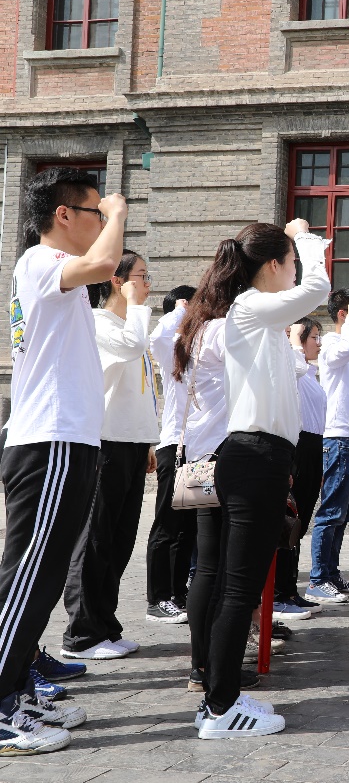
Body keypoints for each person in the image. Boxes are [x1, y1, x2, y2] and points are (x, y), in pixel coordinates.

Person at [0, 168, 123, 754]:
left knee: (42, 576)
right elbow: (105, 264)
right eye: (94, 211)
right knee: (28, 575)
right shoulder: (39, 261)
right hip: (48, 441)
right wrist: (119, 214)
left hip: (67, 439)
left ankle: (17, 686)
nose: (102, 221)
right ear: (64, 214)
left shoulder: (57, 274)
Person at [191, 218, 329, 739]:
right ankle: (220, 707)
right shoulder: (249, 307)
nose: (296, 273)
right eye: (290, 263)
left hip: (262, 458)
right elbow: (316, 290)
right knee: (239, 589)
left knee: (237, 586)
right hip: (253, 458)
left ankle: (219, 695)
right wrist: (307, 240)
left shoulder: (260, 319)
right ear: (273, 265)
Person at [60, 250, 159, 662]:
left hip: (131, 443)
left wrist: (148, 441)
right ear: (117, 281)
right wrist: (136, 307)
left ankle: (105, 625)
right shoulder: (100, 323)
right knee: (95, 540)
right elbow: (132, 345)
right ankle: (81, 634)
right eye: (141, 276)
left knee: (119, 542)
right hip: (105, 443)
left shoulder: (131, 325)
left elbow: (141, 389)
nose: (148, 284)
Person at [172, 263, 255, 697]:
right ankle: (215, 666)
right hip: (226, 455)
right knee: (225, 567)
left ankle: (199, 666)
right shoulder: (224, 331)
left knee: (207, 565)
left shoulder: (195, 330)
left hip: (201, 455)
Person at [306, 289, 349, 604]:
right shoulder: (333, 342)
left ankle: (331, 574)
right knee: (331, 512)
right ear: (343, 313)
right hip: (338, 437)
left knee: (345, 513)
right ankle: (317, 579)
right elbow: (343, 351)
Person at [145, 284, 198, 625]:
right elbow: (158, 337)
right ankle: (158, 598)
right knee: (167, 526)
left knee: (187, 529)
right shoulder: (173, 348)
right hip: (173, 449)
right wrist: (180, 310)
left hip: (197, 449)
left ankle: (178, 593)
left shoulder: (199, 349)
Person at [271, 317, 327, 619]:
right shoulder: (293, 367)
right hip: (298, 446)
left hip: (313, 447)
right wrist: (292, 339)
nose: (318, 343)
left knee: (300, 522)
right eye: (313, 337)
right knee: (289, 521)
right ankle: (279, 594)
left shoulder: (309, 372)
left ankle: (290, 590)